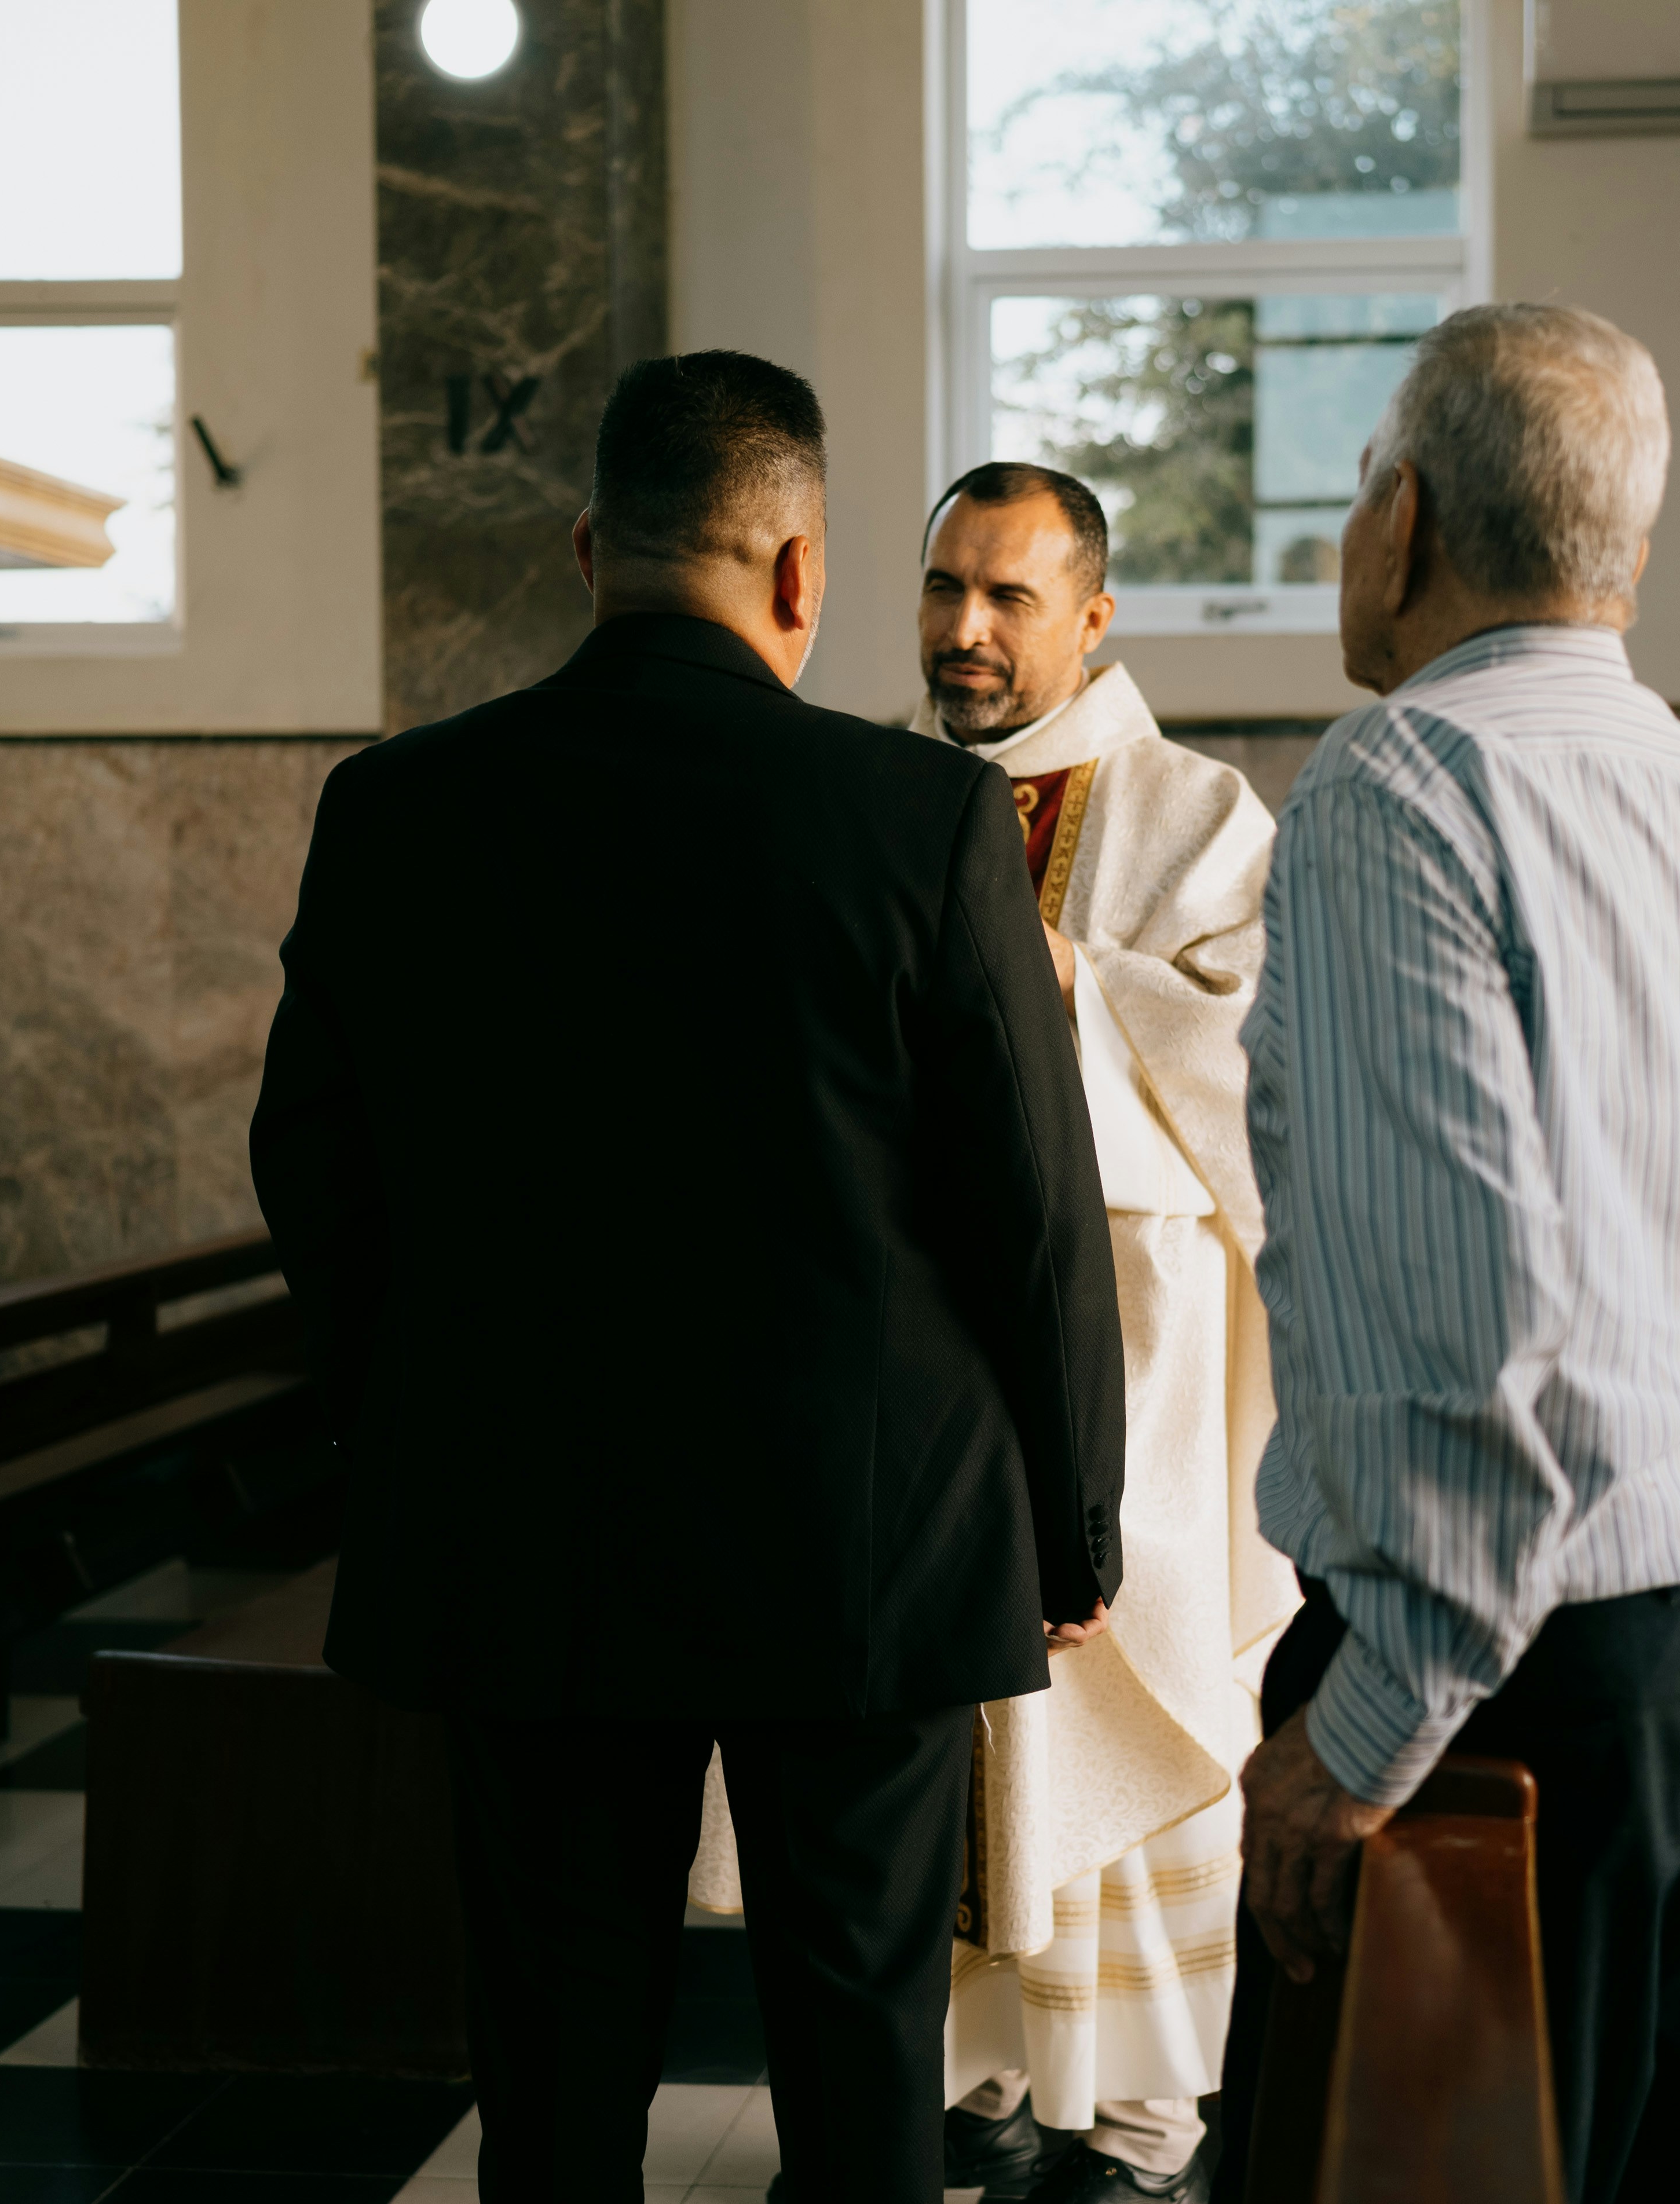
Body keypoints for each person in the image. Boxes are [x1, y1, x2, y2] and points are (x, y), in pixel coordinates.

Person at [250, 350, 1128, 2204]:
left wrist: (411, 1429)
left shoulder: (399, 808)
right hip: (865, 1543)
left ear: (590, 548)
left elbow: (315, 1170)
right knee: (860, 2041)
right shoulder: (925, 821)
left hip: (525, 1525)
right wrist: (1072, 1527)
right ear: (804, 574)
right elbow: (1032, 1209)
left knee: (555, 2065)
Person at [1221, 303, 1680, 2203]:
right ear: (1629, 557)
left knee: (1421, 2174)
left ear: (1401, 520)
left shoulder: (1394, 791)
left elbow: (1456, 1327)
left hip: (1524, 1659)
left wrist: (1364, 1728)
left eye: (1354, 493)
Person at [691, 464, 1293, 2204]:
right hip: (922, 1372)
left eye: (1010, 598)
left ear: (1094, 617)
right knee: (934, 1739)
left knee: (1112, 1712)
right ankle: (974, 2090)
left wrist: (1039, 996)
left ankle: (1133, 2120)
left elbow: (1250, 1067)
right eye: (945, 588)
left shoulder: (1198, 817)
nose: (963, 629)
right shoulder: (865, 795)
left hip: (1136, 1375)